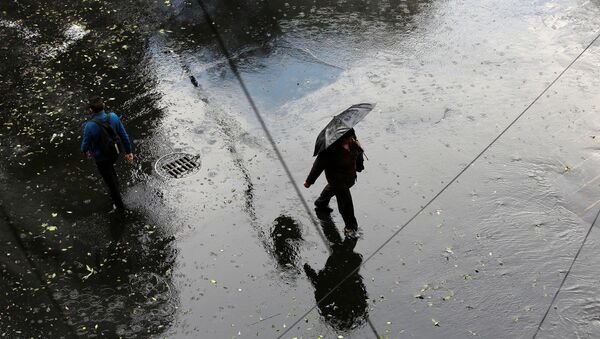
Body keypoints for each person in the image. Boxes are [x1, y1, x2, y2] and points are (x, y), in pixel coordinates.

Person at [304, 129, 364, 236]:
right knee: (346, 204)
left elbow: (358, 155)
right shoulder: (329, 150)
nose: (350, 140)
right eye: (347, 138)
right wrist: (309, 181)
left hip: (349, 177)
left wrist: (359, 148)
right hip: (337, 180)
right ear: (340, 138)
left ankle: (321, 202)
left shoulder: (353, 141)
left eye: (351, 137)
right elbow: (317, 167)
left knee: (331, 189)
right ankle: (350, 227)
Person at [80, 96, 133, 216]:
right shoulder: (113, 117)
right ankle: (116, 184)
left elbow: (85, 145)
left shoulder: (90, 126)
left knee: (110, 182)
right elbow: (124, 135)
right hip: (115, 153)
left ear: (91, 110)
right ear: (104, 105)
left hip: (101, 159)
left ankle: (121, 209)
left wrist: (85, 151)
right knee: (111, 169)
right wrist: (129, 152)